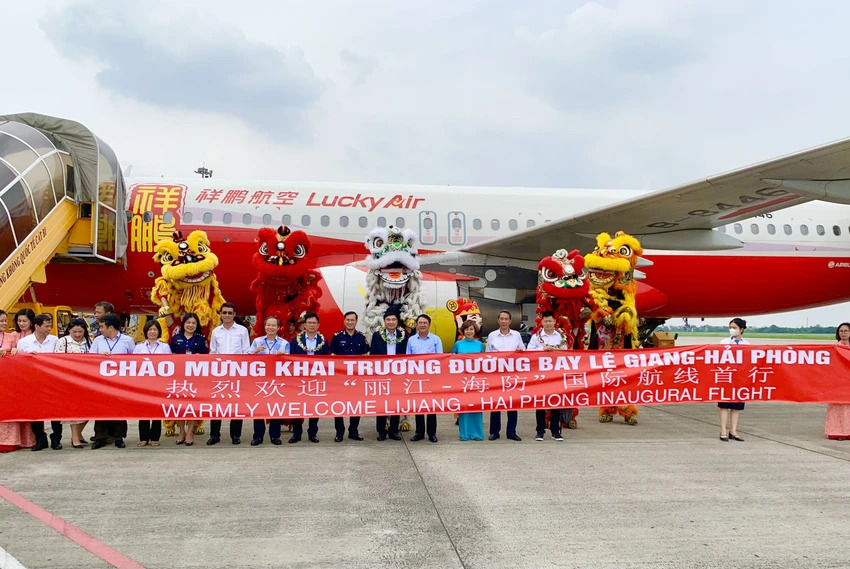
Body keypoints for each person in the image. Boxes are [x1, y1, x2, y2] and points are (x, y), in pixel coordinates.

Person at [90, 313, 136, 449]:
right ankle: (100, 437)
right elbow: (90, 358)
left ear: (110, 327)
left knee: (119, 409)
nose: (100, 329)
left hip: (121, 382)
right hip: (101, 381)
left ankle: (118, 437)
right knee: (101, 409)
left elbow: (134, 359)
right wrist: (100, 357)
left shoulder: (127, 340)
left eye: (102, 327)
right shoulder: (98, 341)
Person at [207, 303, 251, 445]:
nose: (227, 315)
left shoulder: (242, 331)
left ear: (234, 314)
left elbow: (246, 352)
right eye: (224, 312)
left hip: (237, 373)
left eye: (229, 313)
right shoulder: (215, 332)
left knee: (236, 405)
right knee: (216, 406)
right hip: (219, 373)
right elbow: (213, 352)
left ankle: (235, 435)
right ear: (220, 314)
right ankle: (214, 435)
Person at [17, 314, 61, 451]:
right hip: (33, 382)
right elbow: (18, 362)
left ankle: (56, 439)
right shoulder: (24, 342)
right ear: (37, 326)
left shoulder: (55, 340)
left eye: (50, 326)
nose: (49, 328)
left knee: (56, 412)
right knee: (35, 411)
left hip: (52, 381)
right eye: (46, 326)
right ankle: (40, 439)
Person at [526, 311, 568, 441]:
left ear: (554, 322)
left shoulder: (560, 336)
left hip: (555, 374)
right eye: (546, 321)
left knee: (556, 402)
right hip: (540, 374)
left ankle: (555, 431)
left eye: (550, 321)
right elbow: (529, 352)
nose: (548, 323)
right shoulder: (536, 337)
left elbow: (566, 352)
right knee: (540, 402)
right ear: (542, 322)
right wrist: (542, 350)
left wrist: (555, 350)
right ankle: (540, 431)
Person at [0, 309, 37, 452]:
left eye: (5, 321)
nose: (4, 323)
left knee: (13, 409)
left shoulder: (11, 337)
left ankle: (16, 440)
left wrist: (16, 352)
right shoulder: (14, 335)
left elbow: (19, 351)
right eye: (1, 321)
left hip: (11, 378)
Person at [289, 312, 329, 443]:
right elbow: (290, 360)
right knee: (297, 406)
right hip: (299, 379)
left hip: (316, 378)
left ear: (318, 325)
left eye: (314, 323)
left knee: (314, 406)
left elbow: (326, 361)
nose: (312, 325)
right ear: (304, 325)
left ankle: (312, 433)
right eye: (309, 322)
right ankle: (297, 433)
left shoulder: (323, 341)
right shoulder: (295, 341)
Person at [370, 306, 408, 441]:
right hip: (382, 374)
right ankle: (381, 431)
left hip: (398, 375)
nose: (391, 322)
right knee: (381, 403)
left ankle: (394, 431)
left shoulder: (403, 335)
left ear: (397, 322)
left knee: (395, 402)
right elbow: (373, 355)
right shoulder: (377, 335)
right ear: (384, 321)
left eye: (393, 319)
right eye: (388, 320)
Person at [170, 313, 209, 446]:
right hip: (178, 377)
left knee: (192, 405)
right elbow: (170, 356)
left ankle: (190, 432)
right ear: (183, 324)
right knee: (180, 405)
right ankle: (181, 431)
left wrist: (200, 357)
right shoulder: (176, 338)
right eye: (188, 323)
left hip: (195, 378)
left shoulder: (201, 339)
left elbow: (207, 357)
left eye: (193, 323)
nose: (190, 325)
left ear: (197, 325)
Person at [330, 311, 369, 442]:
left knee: (356, 405)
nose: (350, 322)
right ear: (344, 321)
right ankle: (339, 432)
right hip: (340, 378)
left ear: (356, 322)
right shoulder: (337, 336)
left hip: (357, 378)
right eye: (348, 320)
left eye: (352, 320)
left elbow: (365, 356)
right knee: (339, 405)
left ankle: (353, 431)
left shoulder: (361, 337)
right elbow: (332, 356)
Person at [249, 316, 289, 446]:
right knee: (258, 408)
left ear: (278, 328)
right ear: (265, 326)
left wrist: (284, 355)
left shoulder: (284, 343)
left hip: (276, 381)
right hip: (259, 380)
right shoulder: (257, 341)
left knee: (275, 408)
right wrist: (256, 351)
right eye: (268, 325)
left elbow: (289, 363)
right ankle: (258, 436)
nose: (270, 327)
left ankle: (275, 436)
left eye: (273, 325)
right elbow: (247, 359)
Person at [486, 310, 524, 441]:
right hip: (496, 375)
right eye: (501, 318)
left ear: (510, 321)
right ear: (498, 320)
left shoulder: (516, 335)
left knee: (512, 404)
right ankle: (494, 432)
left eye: (506, 319)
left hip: (512, 375)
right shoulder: (492, 335)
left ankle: (511, 432)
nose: (503, 321)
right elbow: (487, 355)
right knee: (496, 404)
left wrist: (520, 352)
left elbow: (524, 352)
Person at [54, 318, 92, 448]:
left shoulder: (89, 341)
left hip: (87, 381)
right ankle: (75, 438)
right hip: (69, 380)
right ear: (69, 330)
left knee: (89, 410)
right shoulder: (63, 341)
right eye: (74, 331)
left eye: (80, 332)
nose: (77, 334)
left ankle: (78, 434)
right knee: (75, 411)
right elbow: (57, 360)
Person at [134, 320, 172, 447]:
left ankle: (155, 437)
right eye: (150, 329)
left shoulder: (164, 347)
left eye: (155, 329)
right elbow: (134, 364)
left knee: (156, 411)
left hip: (159, 384)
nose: (152, 332)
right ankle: (144, 438)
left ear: (159, 331)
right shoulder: (139, 347)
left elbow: (169, 364)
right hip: (143, 383)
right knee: (143, 411)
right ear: (145, 331)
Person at [406, 314, 443, 443]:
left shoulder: (436, 339)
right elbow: (408, 358)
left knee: (431, 406)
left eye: (425, 323)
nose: (422, 325)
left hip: (431, 378)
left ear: (429, 325)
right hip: (416, 378)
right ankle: (419, 432)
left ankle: (432, 433)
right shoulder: (411, 340)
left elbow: (440, 359)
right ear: (416, 325)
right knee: (419, 406)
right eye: (420, 323)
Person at [452, 320, 485, 441]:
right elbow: (451, 360)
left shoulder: (480, 345)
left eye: (471, 329)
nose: (469, 331)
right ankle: (464, 434)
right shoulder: (458, 344)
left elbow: (484, 362)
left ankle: (477, 434)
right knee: (464, 407)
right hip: (463, 380)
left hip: (476, 380)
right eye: (466, 329)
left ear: (475, 330)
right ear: (463, 331)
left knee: (476, 406)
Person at [719, 317, 749, 442]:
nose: (732, 330)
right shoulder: (724, 342)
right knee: (724, 405)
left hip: (740, 378)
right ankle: (723, 431)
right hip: (726, 377)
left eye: (734, 328)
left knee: (736, 406)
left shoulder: (747, 344)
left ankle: (733, 431)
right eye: (730, 327)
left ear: (741, 329)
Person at [826, 322, 850, 440]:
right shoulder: (834, 348)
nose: (843, 333)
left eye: (846, 331)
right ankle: (837, 432)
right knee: (837, 406)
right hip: (838, 381)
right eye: (841, 331)